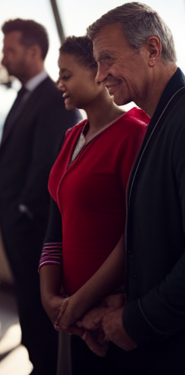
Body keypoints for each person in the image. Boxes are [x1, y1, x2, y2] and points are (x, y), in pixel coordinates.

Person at [78, 2, 185, 373]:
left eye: (108, 59)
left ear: (152, 50)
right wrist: (125, 302)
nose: (99, 76)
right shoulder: (160, 121)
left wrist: (134, 319)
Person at [38, 36, 149, 373]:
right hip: (73, 308)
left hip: (110, 309)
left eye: (66, 75)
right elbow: (57, 220)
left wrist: (79, 303)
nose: (59, 84)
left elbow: (135, 234)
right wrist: (49, 298)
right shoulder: (72, 136)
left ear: (98, 73)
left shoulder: (134, 135)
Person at [0, 18, 80, 374]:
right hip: (13, 217)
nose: (4, 57)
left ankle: (43, 365)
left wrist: (22, 209)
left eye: (10, 50)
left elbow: (47, 161)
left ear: (34, 52)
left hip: (31, 223)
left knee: (35, 301)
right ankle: (36, 361)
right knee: (25, 297)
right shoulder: (25, 94)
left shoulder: (55, 97)